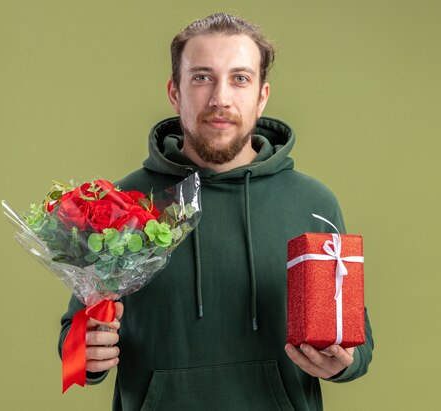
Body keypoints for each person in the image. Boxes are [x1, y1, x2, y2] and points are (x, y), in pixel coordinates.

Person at [59, 12, 373, 410]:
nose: (220, 98)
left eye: (240, 78)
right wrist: (84, 354)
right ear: (175, 92)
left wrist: (345, 363)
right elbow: (75, 337)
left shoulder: (313, 203)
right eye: (202, 77)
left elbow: (357, 337)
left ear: (262, 96)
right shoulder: (121, 202)